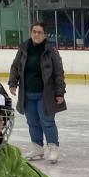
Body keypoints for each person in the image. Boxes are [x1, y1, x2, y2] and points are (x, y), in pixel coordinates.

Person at [8, 21, 67, 164]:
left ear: (45, 35)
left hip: (45, 94)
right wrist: (13, 83)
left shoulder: (51, 51)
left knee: (47, 122)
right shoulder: (24, 49)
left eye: (39, 32)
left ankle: (53, 148)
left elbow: (58, 73)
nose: (36, 34)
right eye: (34, 31)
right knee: (32, 122)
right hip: (27, 93)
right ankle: (38, 148)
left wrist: (60, 92)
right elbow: (15, 67)